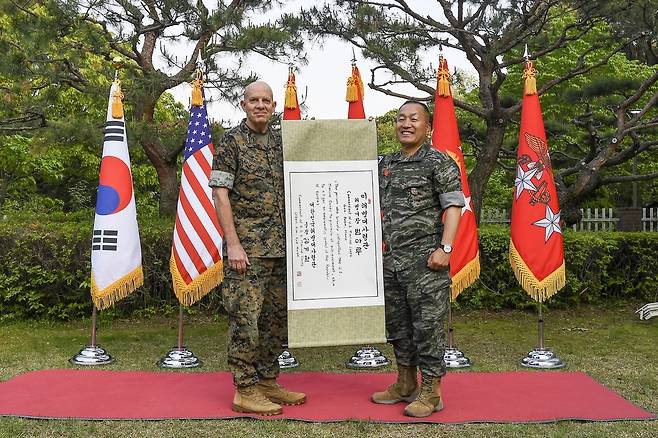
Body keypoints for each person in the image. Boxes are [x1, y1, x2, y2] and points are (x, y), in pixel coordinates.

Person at [209, 80, 306, 416]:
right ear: (243, 104)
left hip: (282, 248)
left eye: (266, 100)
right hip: (247, 250)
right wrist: (233, 244)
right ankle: (245, 389)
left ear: (274, 105)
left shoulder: (282, 141)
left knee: (275, 322)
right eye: (254, 100)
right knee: (246, 321)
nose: (261, 105)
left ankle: (267, 380)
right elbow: (221, 194)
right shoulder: (232, 142)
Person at [372, 100, 463, 417]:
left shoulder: (439, 162)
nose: (405, 124)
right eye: (400, 119)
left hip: (426, 263)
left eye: (414, 119)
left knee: (427, 329)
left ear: (428, 128)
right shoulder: (386, 163)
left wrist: (446, 249)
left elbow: (453, 206)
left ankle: (432, 392)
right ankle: (406, 383)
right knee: (398, 327)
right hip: (391, 263)